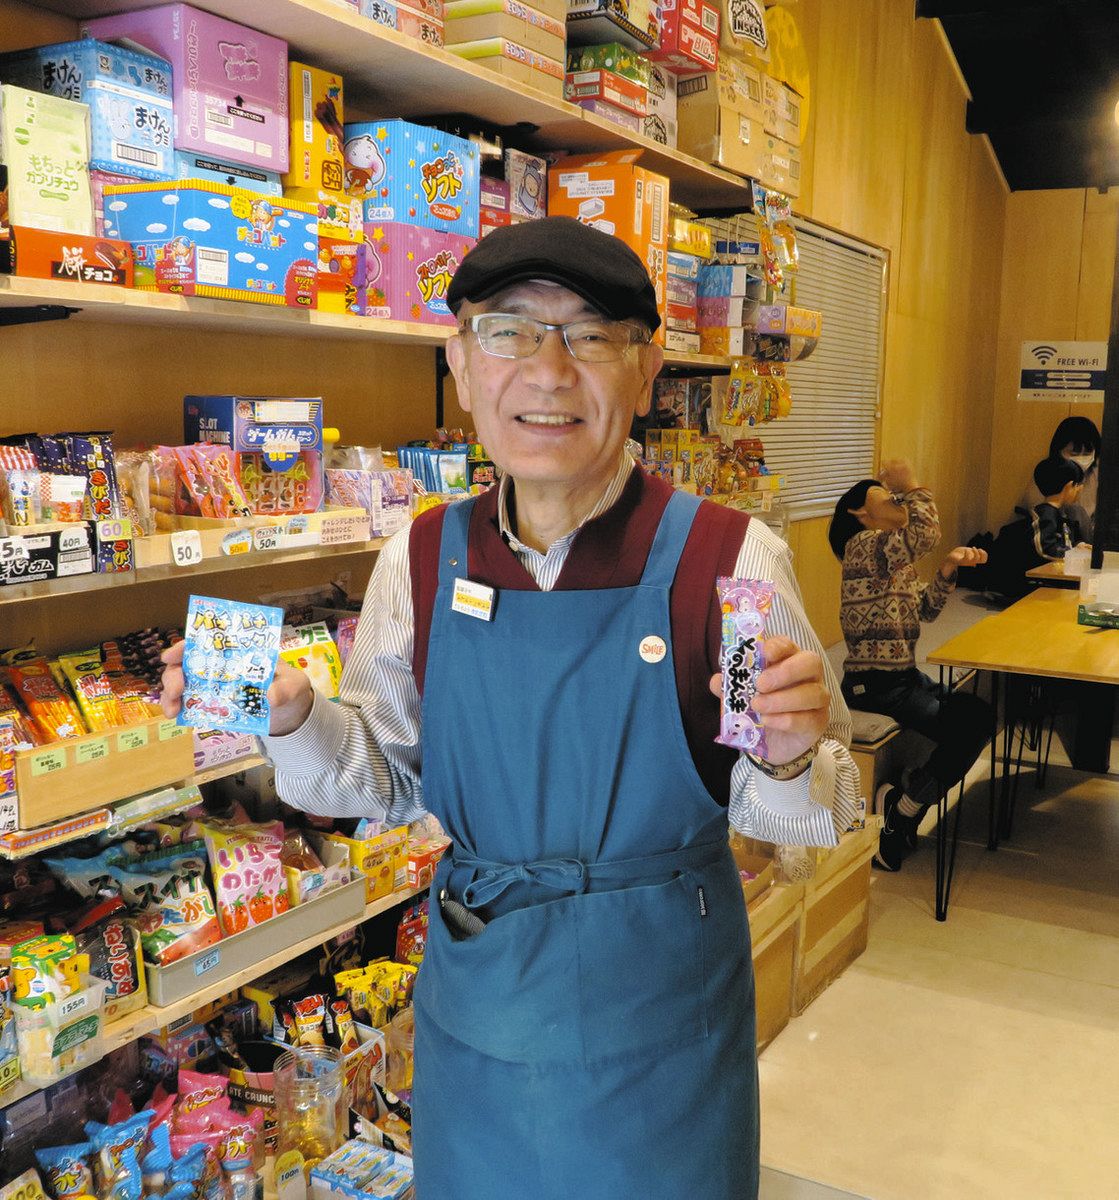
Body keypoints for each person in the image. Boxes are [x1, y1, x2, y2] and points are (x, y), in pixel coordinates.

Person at [162, 216, 860, 1200]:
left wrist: (788, 755)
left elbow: (805, 815)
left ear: (647, 370)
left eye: (590, 336)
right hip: (478, 1009)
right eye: (508, 332)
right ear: (460, 362)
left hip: (661, 1019)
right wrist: (288, 716)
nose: (547, 372)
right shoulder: (417, 556)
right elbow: (384, 776)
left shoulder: (731, 556)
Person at [830, 460, 990, 872]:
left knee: (977, 715)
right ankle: (903, 810)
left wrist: (947, 568)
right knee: (970, 725)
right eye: (886, 496)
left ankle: (906, 800)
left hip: (901, 679)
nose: (897, 500)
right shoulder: (863, 546)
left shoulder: (890, 556)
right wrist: (913, 485)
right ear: (859, 513)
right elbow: (925, 532)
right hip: (874, 685)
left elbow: (927, 609)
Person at [1022, 415, 1100, 541]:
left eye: (1087, 454)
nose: (1081, 458)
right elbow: (1037, 512)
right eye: (1074, 453)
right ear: (1059, 451)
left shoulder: (1097, 475)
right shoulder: (1047, 474)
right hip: (1057, 538)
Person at [1029, 455, 1085, 561]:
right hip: (1046, 570)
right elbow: (1045, 548)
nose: (1079, 490)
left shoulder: (1063, 512)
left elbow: (1070, 540)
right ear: (1069, 486)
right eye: (1077, 485)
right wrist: (1074, 555)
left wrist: (1079, 545)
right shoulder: (1045, 513)